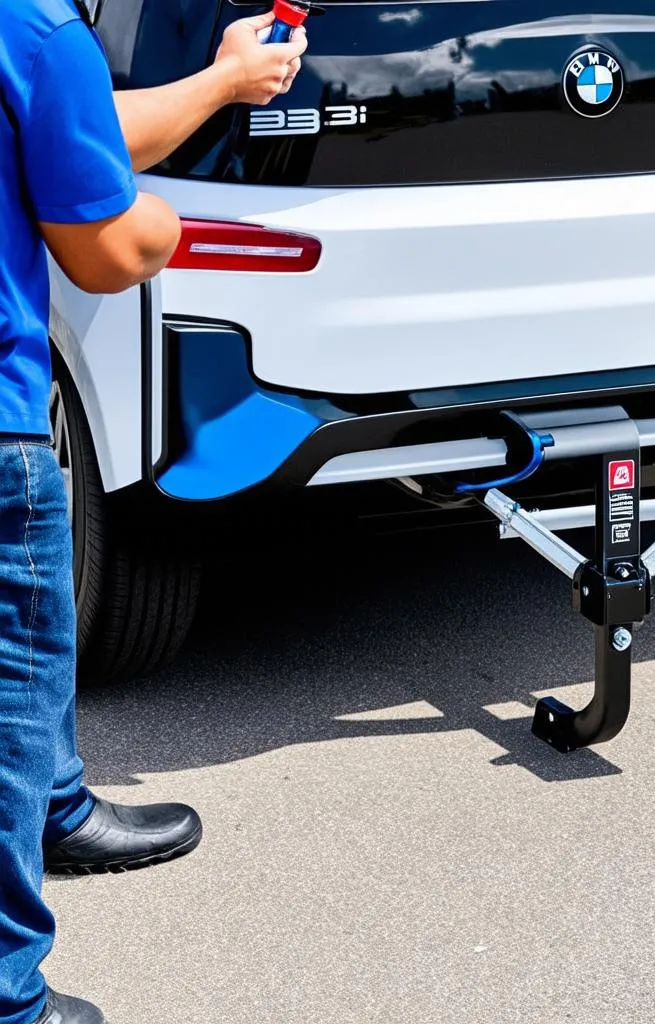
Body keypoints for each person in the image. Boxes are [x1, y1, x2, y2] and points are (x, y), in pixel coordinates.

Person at [0, 4, 307, 1022]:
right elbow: (110, 251)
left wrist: (220, 82)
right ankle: (8, 996)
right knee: (7, 688)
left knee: (35, 648)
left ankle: (58, 809)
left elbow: (62, 119)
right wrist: (170, 227)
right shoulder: (35, 26)